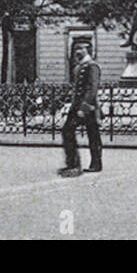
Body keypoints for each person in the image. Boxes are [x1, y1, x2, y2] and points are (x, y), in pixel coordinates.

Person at [59, 41, 102, 177]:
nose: (77, 51)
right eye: (76, 48)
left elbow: (92, 89)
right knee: (69, 131)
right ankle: (73, 164)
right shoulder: (79, 67)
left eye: (80, 48)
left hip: (87, 107)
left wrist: (84, 108)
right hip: (77, 106)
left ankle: (92, 164)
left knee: (92, 135)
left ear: (88, 50)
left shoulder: (92, 66)